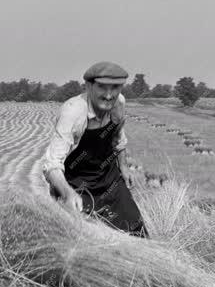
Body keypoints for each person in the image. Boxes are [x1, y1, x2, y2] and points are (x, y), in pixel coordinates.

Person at [42, 61, 148, 237]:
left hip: (109, 179)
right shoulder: (73, 112)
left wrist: (123, 167)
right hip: (76, 186)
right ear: (88, 86)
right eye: (102, 88)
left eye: (115, 88)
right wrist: (68, 194)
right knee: (84, 243)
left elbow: (118, 137)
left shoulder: (119, 103)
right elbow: (51, 164)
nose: (109, 95)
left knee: (136, 231)